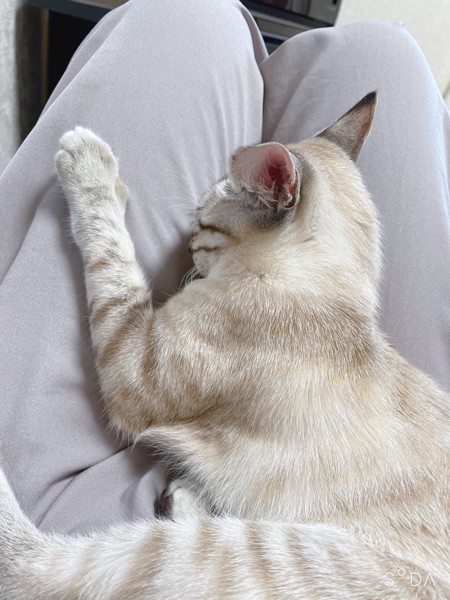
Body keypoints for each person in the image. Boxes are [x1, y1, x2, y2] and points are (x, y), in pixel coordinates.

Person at [0, 0, 449, 535]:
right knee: (384, 52)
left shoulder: (256, 299)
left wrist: (101, 216)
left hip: (112, 527)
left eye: (210, 214)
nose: (194, 238)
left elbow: (129, 389)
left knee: (189, 16)